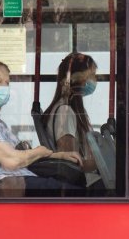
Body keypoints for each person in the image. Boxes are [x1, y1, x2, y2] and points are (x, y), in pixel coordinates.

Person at [0, 60, 84, 197]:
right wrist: (38, 152)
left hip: (17, 180)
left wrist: (59, 155)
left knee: (74, 181)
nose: (4, 87)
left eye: (7, 83)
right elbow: (11, 160)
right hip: (3, 186)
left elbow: (20, 151)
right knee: (80, 196)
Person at [43, 53, 103, 192]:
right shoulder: (65, 112)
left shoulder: (70, 109)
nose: (96, 80)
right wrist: (103, 162)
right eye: (92, 75)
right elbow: (71, 161)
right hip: (85, 184)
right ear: (79, 78)